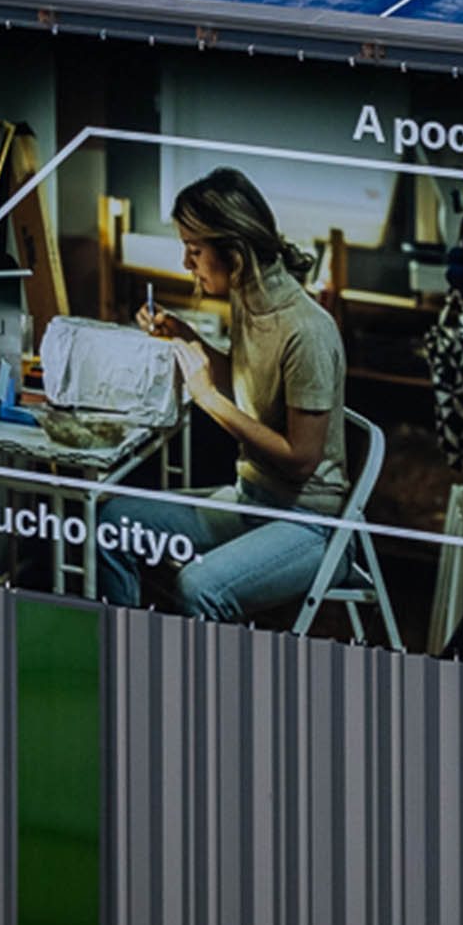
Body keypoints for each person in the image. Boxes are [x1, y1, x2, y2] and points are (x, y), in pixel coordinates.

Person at [92, 167, 351, 624]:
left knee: (198, 588)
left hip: (311, 523)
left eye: (194, 251)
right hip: (252, 498)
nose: (186, 264)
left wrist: (208, 398)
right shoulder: (249, 297)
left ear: (234, 253)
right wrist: (187, 336)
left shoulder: (307, 329)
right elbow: (250, 380)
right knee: (112, 523)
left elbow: (301, 459)